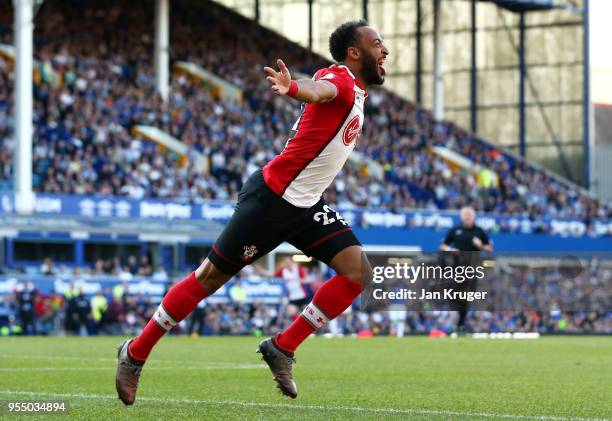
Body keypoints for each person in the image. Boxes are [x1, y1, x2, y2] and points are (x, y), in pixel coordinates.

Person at [115, 20, 388, 404]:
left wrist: (301, 88)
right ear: (355, 52)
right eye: (377, 44)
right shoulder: (340, 81)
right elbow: (318, 89)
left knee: (358, 272)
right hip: (271, 201)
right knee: (208, 279)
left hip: (306, 204)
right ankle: (134, 353)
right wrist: (293, 88)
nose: (385, 50)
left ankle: (282, 347)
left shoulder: (354, 88)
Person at [439, 206, 493, 333]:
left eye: (470, 216)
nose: (468, 218)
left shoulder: (479, 231)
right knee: (455, 294)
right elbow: (443, 245)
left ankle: (460, 324)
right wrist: (450, 250)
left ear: (473, 217)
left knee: (467, 296)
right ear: (462, 217)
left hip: (472, 267)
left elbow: (489, 248)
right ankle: (455, 320)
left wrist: (481, 246)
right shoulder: (455, 230)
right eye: (465, 216)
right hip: (457, 267)